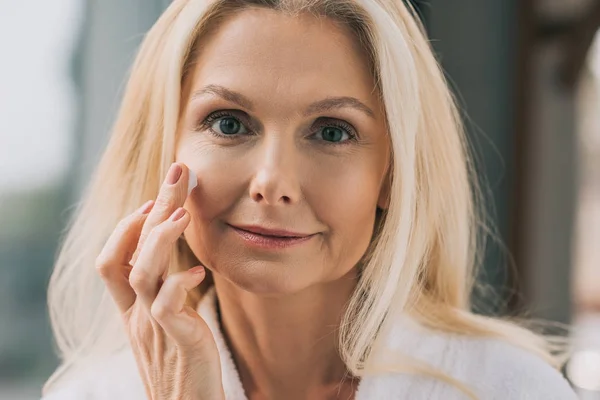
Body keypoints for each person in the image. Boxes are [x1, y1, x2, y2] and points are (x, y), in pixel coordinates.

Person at [40, 0, 578, 399]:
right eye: (229, 123)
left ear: (392, 174)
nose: (273, 182)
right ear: (164, 149)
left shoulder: (510, 388)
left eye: (331, 132)